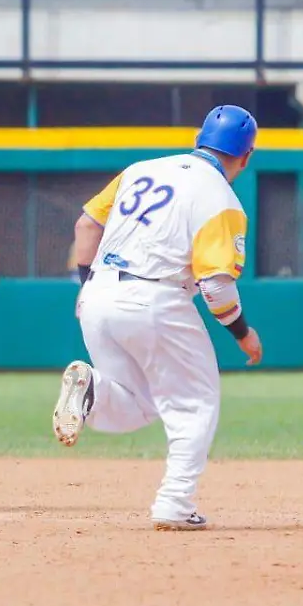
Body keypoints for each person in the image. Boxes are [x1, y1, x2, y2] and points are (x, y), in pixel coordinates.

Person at [51, 105, 264, 531]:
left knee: (140, 402)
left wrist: (86, 286)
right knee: (195, 402)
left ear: (199, 140)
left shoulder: (141, 169)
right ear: (246, 156)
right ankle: (175, 503)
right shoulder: (221, 198)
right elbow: (217, 287)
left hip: (98, 296)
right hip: (155, 298)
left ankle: (90, 388)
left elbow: (86, 224)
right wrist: (242, 333)